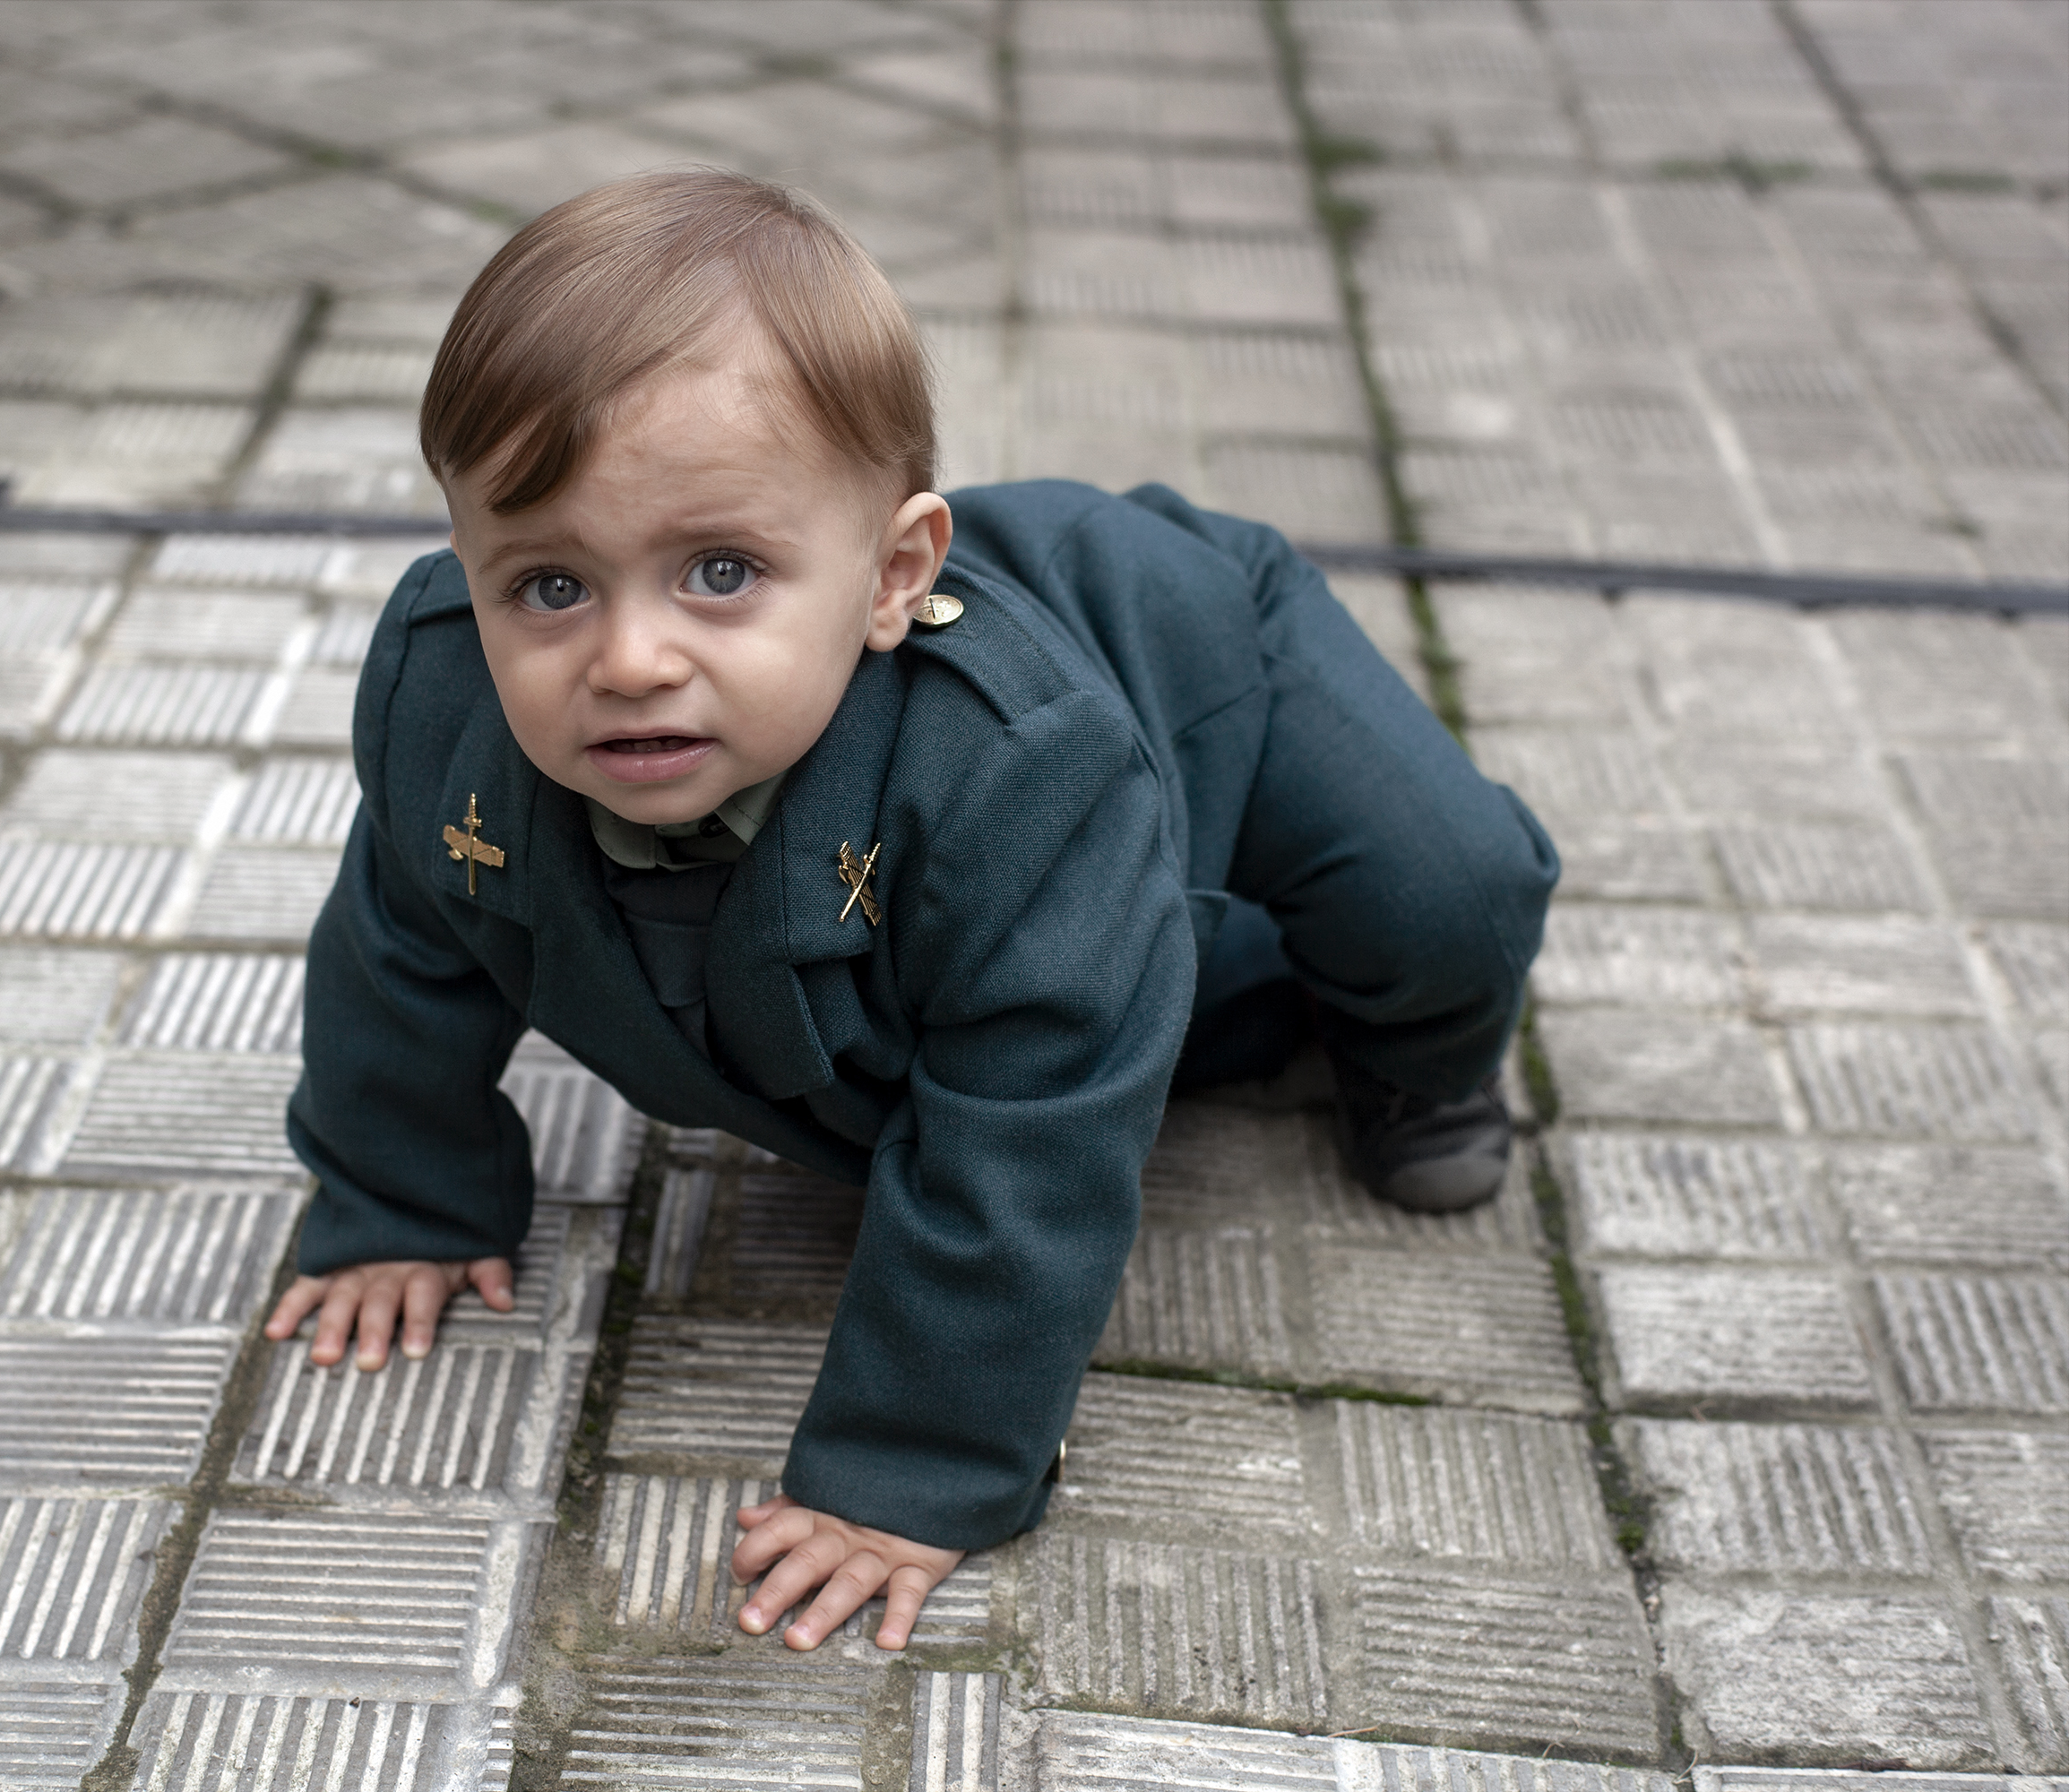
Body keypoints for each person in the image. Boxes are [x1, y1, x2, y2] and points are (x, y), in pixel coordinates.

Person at [264, 169, 1558, 1653]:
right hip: (1035, 821)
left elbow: (1031, 1133)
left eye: (720, 572)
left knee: (1440, 899)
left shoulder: (1017, 771)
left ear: (894, 575)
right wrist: (402, 1198)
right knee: (1096, 993)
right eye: (547, 582)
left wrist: (914, 1470)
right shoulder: (444, 697)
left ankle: (1416, 1055)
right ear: (464, 571)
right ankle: (1215, 968)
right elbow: (402, 945)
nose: (628, 658)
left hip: (1200, 655)